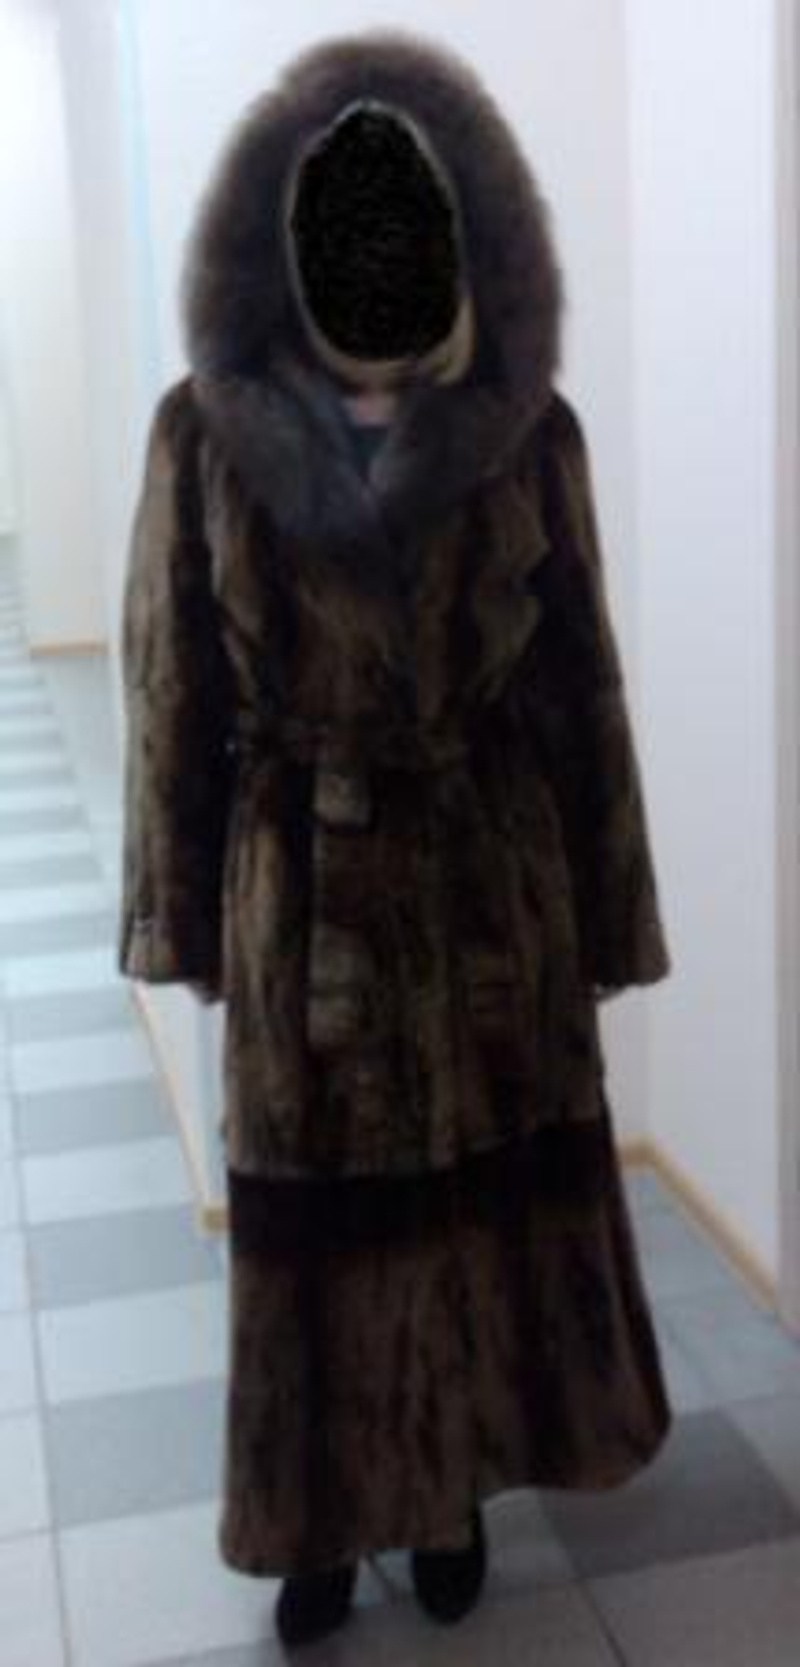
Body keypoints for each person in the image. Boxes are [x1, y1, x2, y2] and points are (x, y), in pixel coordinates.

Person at [117, 27, 674, 1649]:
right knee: (313, 1231)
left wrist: (609, 909)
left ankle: (453, 1497)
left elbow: (583, 686)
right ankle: (318, 1510)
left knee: (486, 1209)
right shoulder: (204, 434)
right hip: (309, 897)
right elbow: (169, 690)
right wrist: (186, 913)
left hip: (494, 887)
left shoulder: (529, 430)